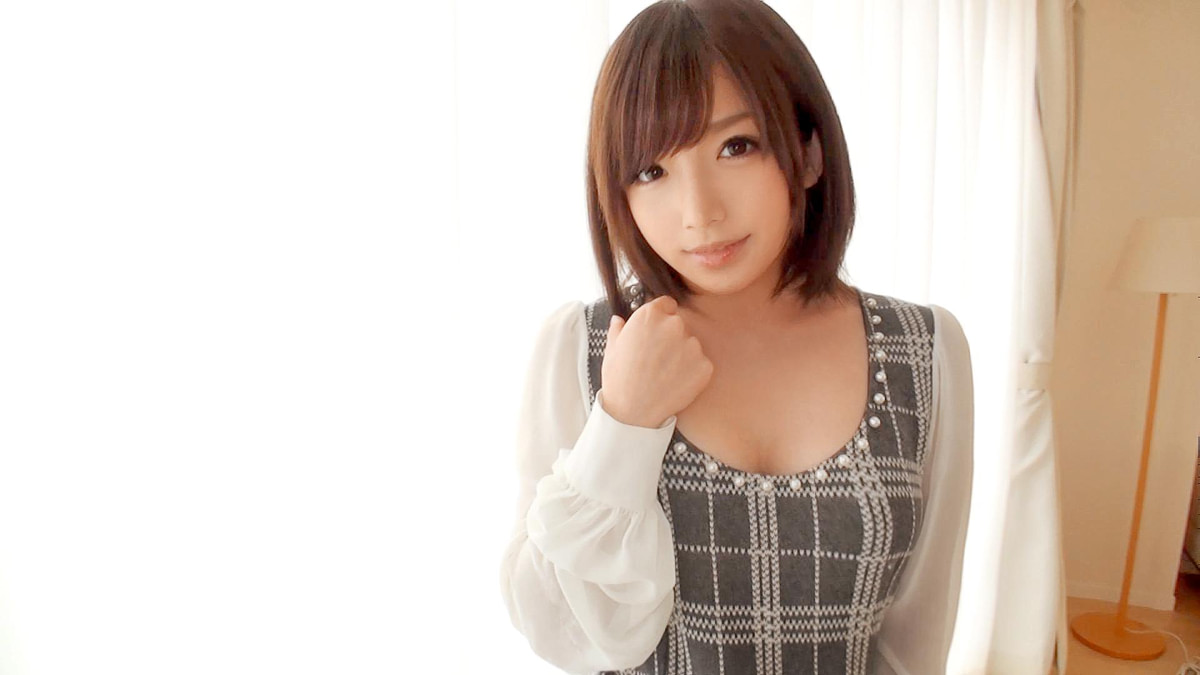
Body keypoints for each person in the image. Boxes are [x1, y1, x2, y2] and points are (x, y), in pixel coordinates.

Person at [498, 0, 973, 673]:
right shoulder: (581, 348)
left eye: (736, 146)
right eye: (651, 171)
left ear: (807, 153)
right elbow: (565, 636)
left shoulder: (925, 352)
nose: (700, 212)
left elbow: (914, 643)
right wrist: (623, 423)